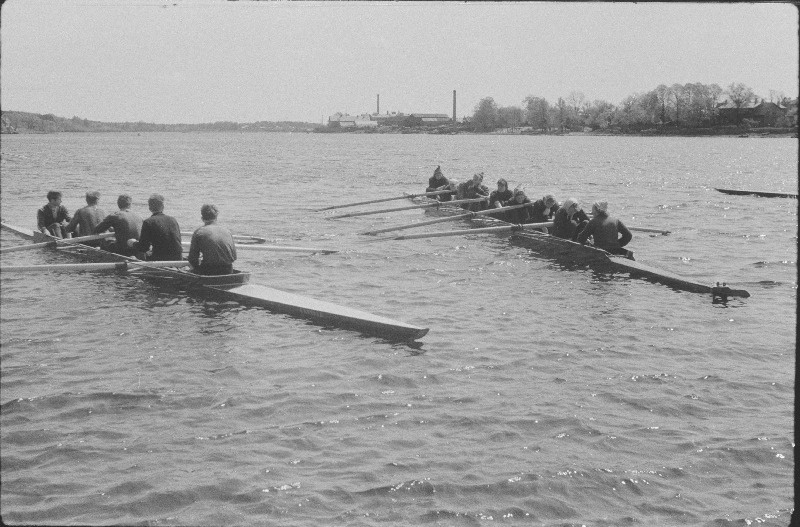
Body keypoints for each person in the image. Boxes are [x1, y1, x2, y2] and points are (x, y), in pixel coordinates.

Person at [128, 194, 182, 261]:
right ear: (163, 206)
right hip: (178, 259)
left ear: (149, 208)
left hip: (160, 261)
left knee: (133, 257)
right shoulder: (173, 220)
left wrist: (133, 243)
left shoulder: (148, 222)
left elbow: (143, 248)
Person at [188, 204, 237, 275]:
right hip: (228, 270)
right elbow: (234, 257)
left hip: (209, 271)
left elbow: (192, 259)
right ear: (216, 217)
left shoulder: (199, 232)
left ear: (202, 218)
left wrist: (197, 269)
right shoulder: (227, 231)